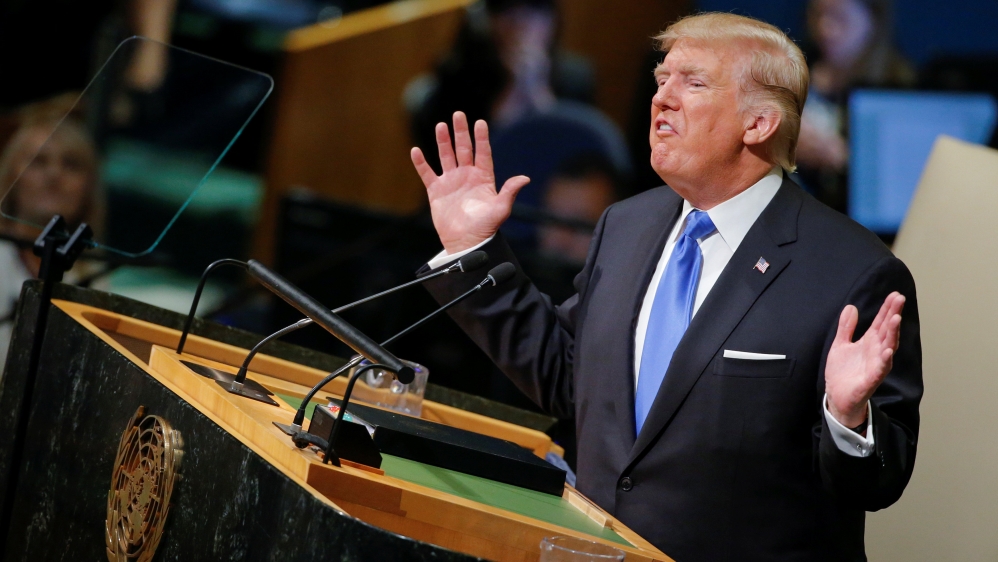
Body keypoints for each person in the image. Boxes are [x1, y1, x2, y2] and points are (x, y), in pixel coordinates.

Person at [409, 12, 921, 561]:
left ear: (759, 123)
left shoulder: (852, 271)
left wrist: (848, 420)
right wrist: (471, 251)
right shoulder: (625, 225)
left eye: (693, 83)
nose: (663, 99)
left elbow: (878, 482)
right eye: (662, 79)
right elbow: (568, 379)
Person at [0, 109, 105, 370]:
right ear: (11, 176)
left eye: (71, 164)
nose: (54, 175)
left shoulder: (97, 277)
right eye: (38, 161)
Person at [795, 0, 915, 211]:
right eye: (818, 15)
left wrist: (839, 158)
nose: (825, 28)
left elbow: (904, 177)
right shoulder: (792, 70)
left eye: (841, 18)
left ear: (873, 21)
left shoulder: (900, 86)